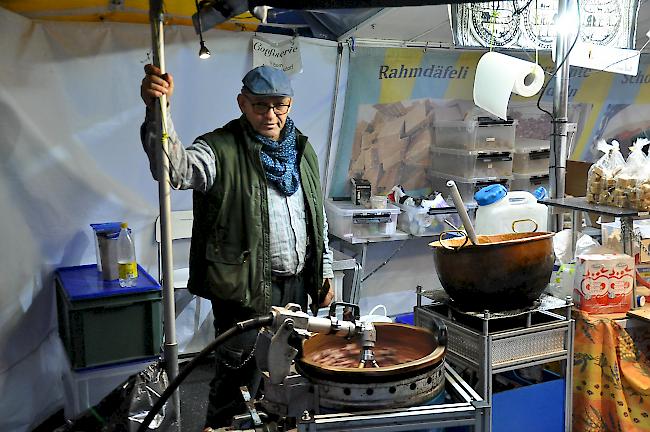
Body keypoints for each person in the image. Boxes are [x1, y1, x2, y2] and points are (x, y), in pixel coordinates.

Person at [139, 64, 335, 429]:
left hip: (296, 286)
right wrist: (157, 111)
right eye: (260, 105)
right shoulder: (220, 149)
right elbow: (174, 169)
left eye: (280, 105)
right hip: (244, 294)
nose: (271, 114)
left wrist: (324, 272)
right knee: (236, 385)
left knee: (288, 382)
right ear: (242, 103)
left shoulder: (302, 151)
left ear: (290, 104)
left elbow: (316, 217)